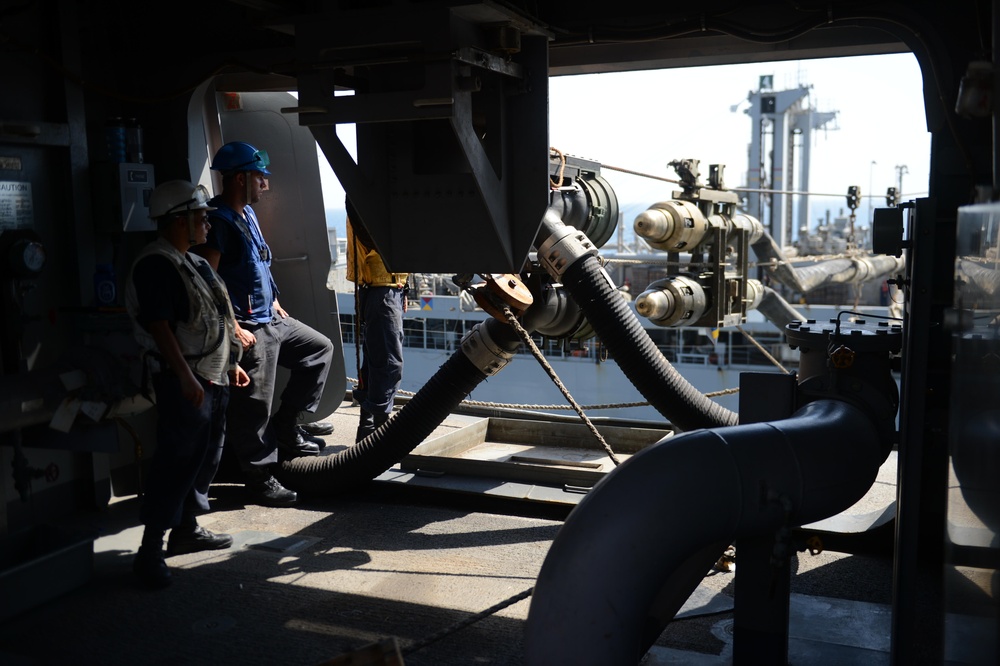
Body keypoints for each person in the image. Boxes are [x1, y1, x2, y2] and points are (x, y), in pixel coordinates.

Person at [192, 141, 335, 508]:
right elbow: (208, 281)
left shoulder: (247, 215)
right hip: (248, 328)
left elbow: (258, 264)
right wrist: (232, 325)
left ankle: (287, 427)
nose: (265, 185)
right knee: (254, 404)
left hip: (271, 317)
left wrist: (273, 299)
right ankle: (259, 478)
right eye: (260, 177)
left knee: (319, 350)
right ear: (240, 179)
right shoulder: (220, 222)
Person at [124, 180, 250, 589]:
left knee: (204, 457)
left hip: (211, 376)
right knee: (176, 460)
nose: (207, 224)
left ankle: (188, 528)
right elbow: (159, 326)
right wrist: (183, 376)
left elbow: (214, 316)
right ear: (180, 221)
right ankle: (150, 551)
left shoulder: (190, 261)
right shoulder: (156, 264)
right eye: (200, 217)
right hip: (185, 380)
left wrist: (230, 364)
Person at [345, 198, 408, 442]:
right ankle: (381, 435)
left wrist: (405, 287)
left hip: (383, 289)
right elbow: (390, 241)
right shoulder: (373, 203)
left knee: (374, 360)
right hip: (382, 292)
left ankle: (367, 428)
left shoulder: (365, 197)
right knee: (389, 363)